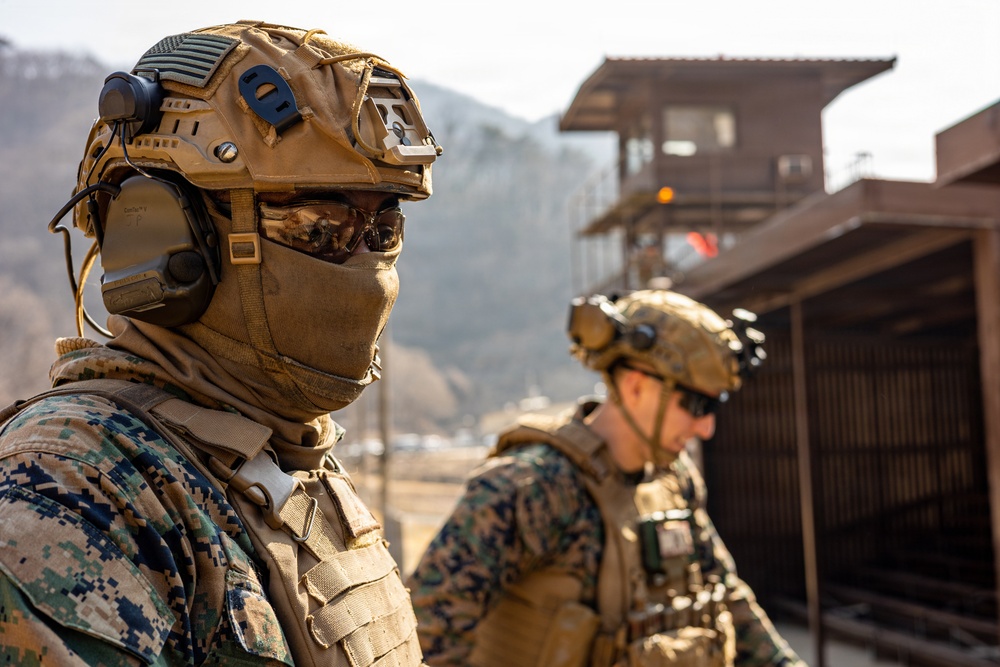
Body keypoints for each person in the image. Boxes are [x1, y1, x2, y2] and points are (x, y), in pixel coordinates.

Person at [0, 21, 440, 666]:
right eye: (318, 226)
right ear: (161, 235)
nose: (365, 267)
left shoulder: (280, 456)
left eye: (383, 227)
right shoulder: (69, 487)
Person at [406, 289, 808, 667]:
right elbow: (427, 629)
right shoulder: (532, 487)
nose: (707, 429)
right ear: (636, 386)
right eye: (696, 404)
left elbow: (726, 595)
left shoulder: (675, 481)